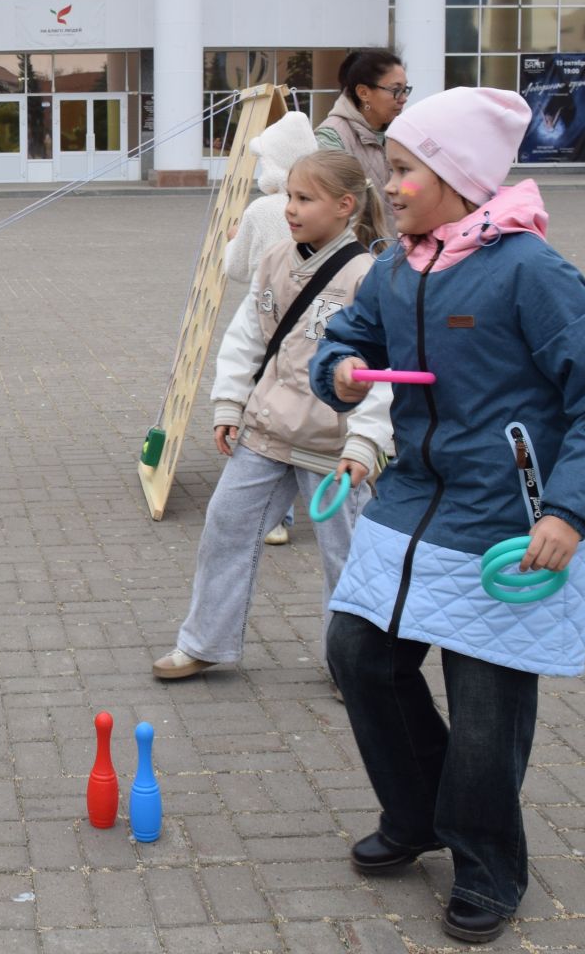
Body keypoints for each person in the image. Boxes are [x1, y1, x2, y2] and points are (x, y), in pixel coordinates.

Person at [310, 87, 585, 943]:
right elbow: (348, 340)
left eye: (408, 168)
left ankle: (490, 866)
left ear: (457, 177)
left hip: (512, 522)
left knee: (487, 707)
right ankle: (417, 814)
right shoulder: (396, 265)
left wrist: (571, 511)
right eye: (391, 166)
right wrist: (342, 373)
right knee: (357, 653)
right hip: (412, 506)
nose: (393, 183)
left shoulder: (530, 271)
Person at [153, 152, 393, 681]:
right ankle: (204, 642)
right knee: (225, 528)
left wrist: (365, 443)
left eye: (304, 198)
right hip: (263, 431)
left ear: (345, 206)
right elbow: (246, 338)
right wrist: (228, 403)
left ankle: (351, 666)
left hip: (333, 448)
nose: (290, 208)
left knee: (347, 556)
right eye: (288, 196)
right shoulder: (275, 259)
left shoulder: (368, 277)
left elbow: (380, 370)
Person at [223, 109, 324, 546]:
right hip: (317, 325)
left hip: (268, 321)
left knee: (267, 413)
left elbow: (238, 268)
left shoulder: (262, 209)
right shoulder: (326, 209)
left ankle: (277, 517)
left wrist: (231, 240)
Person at [316, 49, 409, 237]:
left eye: (405, 89)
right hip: (356, 256)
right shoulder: (332, 137)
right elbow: (332, 206)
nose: (403, 98)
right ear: (363, 92)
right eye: (396, 90)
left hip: (399, 253)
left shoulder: (403, 134)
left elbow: (412, 188)